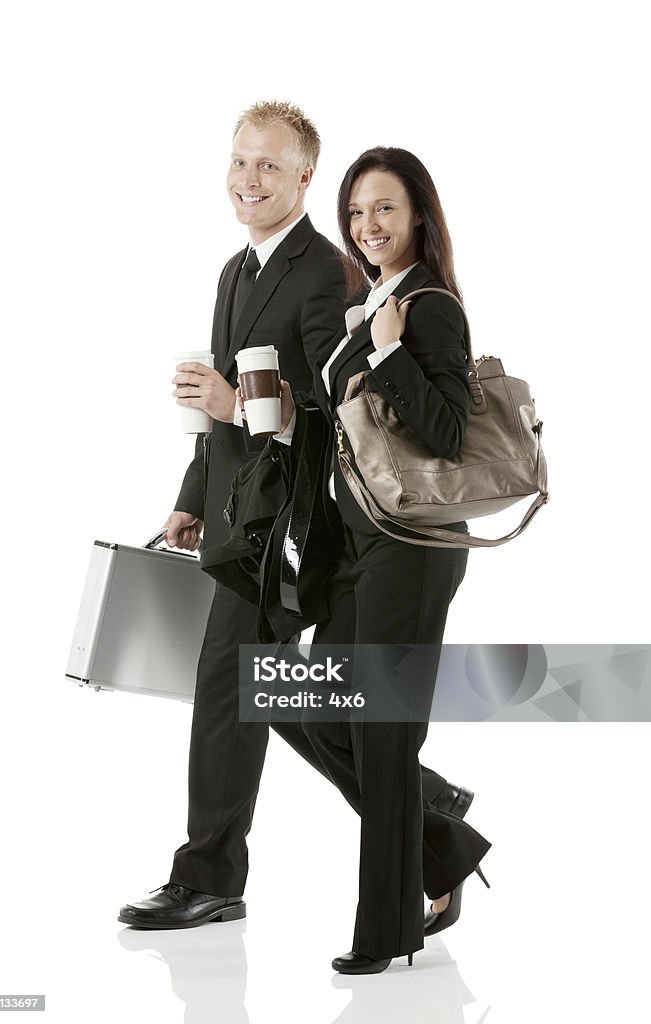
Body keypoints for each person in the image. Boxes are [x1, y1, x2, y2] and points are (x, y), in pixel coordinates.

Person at [118, 106, 476, 934]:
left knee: (237, 687)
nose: (248, 179)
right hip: (240, 516)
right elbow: (219, 402)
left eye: (268, 167)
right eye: (239, 162)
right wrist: (189, 492)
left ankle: (209, 873)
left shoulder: (327, 274)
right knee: (274, 696)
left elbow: (334, 408)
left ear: (305, 177)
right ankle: (430, 819)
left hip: (305, 524)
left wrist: (236, 407)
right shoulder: (233, 271)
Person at [260, 147, 492, 973]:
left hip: (412, 549)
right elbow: (345, 429)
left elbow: (444, 432)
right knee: (308, 704)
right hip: (358, 544)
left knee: (381, 732)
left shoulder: (427, 306)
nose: (368, 228)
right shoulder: (371, 304)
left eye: (384, 210)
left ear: (419, 216)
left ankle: (386, 929)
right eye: (356, 213)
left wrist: (390, 351)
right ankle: (441, 836)